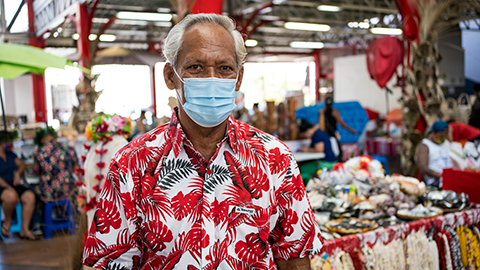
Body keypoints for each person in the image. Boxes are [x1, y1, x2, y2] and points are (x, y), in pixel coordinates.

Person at [83, 14, 323, 269]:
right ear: (170, 76)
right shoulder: (133, 163)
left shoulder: (275, 158)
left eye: (225, 68)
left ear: (238, 78)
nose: (212, 79)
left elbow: (294, 255)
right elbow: (108, 261)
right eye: (195, 67)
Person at [80, 114, 132, 229]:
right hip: (94, 207)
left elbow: (123, 182)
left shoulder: (119, 144)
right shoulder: (98, 144)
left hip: (111, 213)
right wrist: (85, 190)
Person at [0, 131, 37, 240]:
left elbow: (22, 164)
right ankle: (7, 222)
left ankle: (25, 230)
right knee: (11, 196)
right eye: (9, 142)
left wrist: (17, 173)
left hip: (12, 184)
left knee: (30, 196)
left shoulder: (11, 155)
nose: (11, 144)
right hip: (2, 186)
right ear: (2, 142)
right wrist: (9, 188)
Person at [32, 127, 79, 203]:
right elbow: (76, 168)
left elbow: (36, 172)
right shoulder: (69, 148)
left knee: (33, 190)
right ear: (54, 137)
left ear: (41, 141)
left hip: (49, 193)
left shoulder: (39, 151)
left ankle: (46, 213)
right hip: (69, 190)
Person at [415, 121, 454, 188]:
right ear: (433, 133)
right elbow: (423, 168)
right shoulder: (425, 146)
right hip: (434, 182)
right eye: (441, 136)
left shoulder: (446, 143)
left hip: (449, 178)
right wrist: (441, 175)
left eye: (445, 134)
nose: (443, 137)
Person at [319, 97, 358, 161]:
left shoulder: (331, 112)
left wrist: (350, 130)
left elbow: (341, 123)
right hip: (328, 135)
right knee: (337, 152)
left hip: (330, 135)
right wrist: (351, 130)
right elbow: (341, 123)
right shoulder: (324, 113)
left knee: (337, 152)